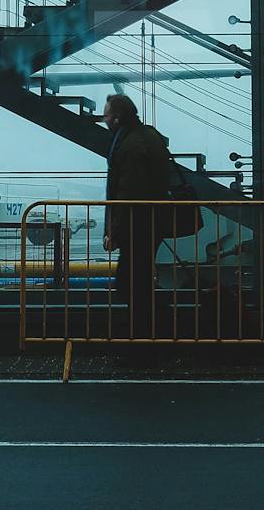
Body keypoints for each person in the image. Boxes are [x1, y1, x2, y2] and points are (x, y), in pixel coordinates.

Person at [102, 93, 172, 343]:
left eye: (107, 114)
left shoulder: (130, 146)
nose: (104, 118)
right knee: (138, 283)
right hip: (150, 222)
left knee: (131, 285)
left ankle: (143, 343)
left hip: (138, 225)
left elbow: (128, 194)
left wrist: (115, 232)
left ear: (118, 118)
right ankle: (148, 338)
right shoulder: (147, 136)